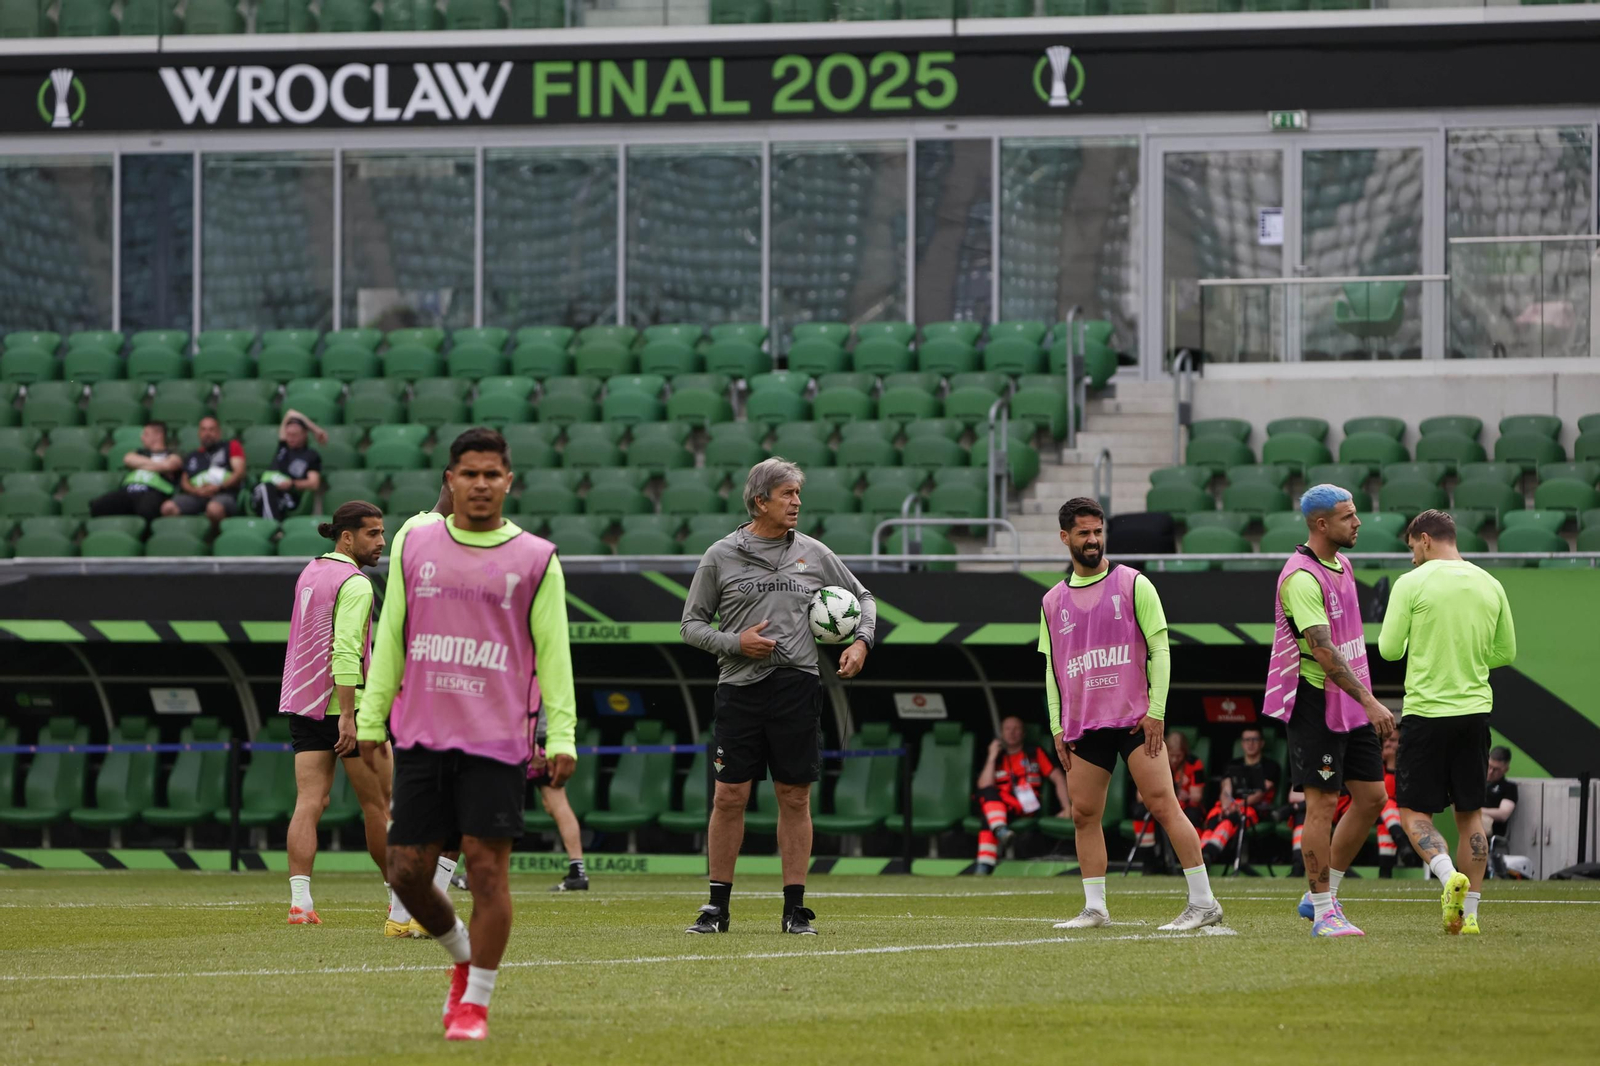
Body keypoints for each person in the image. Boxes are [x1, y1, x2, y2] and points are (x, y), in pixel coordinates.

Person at [356, 427, 577, 1041]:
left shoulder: (535, 557)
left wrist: (562, 735)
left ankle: (475, 1002)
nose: (480, 484)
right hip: (423, 732)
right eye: (469, 474)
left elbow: (553, 653)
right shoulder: (415, 542)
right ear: (450, 480)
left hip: (497, 738)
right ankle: (460, 954)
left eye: (491, 474)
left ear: (508, 482)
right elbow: (393, 632)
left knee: (485, 872)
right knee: (405, 871)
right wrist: (372, 716)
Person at [679, 457, 877, 936]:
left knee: (794, 796)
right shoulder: (720, 555)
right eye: (787, 494)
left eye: (797, 493)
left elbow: (865, 598)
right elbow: (690, 625)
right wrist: (736, 642)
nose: (797, 502)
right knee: (729, 796)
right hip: (738, 689)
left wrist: (861, 641)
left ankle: (794, 911)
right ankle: (716, 908)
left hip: (797, 687)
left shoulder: (815, 553)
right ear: (759, 501)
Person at [1042, 497, 1222, 932]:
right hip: (1083, 724)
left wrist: (1157, 711)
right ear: (1065, 537)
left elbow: (1160, 649)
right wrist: (1056, 726)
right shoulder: (1051, 601)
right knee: (1084, 814)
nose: (1093, 540)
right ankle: (1095, 908)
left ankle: (1204, 903)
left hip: (1136, 719)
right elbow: (1052, 669)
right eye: (1083, 533)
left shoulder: (1134, 583)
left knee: (1163, 805)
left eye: (1097, 531)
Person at [1264, 484, 1395, 938]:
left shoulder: (1342, 564)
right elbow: (1322, 651)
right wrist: (1370, 700)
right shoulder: (1301, 578)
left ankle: (1320, 895)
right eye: (1347, 516)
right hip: (1316, 700)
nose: (1357, 523)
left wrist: (1362, 699)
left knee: (1372, 797)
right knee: (1320, 806)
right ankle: (1323, 912)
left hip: (1349, 701)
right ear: (1321, 524)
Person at [1379, 509, 1517, 935]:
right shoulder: (1490, 583)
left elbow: (1389, 649)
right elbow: (1506, 653)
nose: (1411, 557)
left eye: (1412, 548)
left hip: (1426, 714)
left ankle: (1446, 875)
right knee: (1470, 816)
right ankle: (1469, 915)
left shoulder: (1411, 582)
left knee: (1413, 812)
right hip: (1474, 715)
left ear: (1424, 539)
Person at [277, 501, 400, 932]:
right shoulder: (357, 583)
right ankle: (399, 903)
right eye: (373, 533)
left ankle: (300, 902)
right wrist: (348, 716)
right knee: (379, 806)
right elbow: (345, 651)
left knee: (309, 802)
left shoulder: (310, 571)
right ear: (347, 537)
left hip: (303, 703)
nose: (381, 541)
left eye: (382, 533)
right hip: (350, 709)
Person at [973, 714, 1071, 875]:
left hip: (1026, 806)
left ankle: (990, 851)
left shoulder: (1035, 753)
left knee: (987, 799)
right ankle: (986, 862)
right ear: (1001, 733)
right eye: (1007, 729)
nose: (1012, 732)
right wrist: (991, 757)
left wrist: (1067, 807)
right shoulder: (998, 756)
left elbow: (1058, 778)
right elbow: (983, 784)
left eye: (1016, 729)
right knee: (988, 802)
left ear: (1023, 733)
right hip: (1000, 809)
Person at [1199, 725, 1281, 864]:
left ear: (1262, 743)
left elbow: (1260, 793)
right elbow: (1226, 790)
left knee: (1231, 819)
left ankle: (1209, 854)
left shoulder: (1271, 766)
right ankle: (1201, 855)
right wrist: (1226, 806)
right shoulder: (1233, 764)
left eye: (1255, 739)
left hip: (1253, 808)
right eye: (1247, 740)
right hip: (1230, 806)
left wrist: (1236, 806)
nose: (1250, 743)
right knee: (1213, 819)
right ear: (1242, 743)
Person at [1129, 730, 1204, 872]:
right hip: (1159, 806)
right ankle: (1148, 860)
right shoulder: (1155, 761)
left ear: (1185, 753)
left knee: (1193, 815)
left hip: (1184, 806)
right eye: (1172, 755)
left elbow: (1197, 797)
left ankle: (1192, 862)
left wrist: (1185, 795)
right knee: (1139, 811)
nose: (1175, 760)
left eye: (1178, 756)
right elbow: (1140, 796)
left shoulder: (1194, 764)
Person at [529, 716, 588, 892]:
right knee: (557, 804)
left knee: (499, 802)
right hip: (552, 740)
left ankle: (481, 871)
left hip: (528, 739)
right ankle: (577, 872)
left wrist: (530, 741)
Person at [161, 415, 246, 529]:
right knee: (168, 507)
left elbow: (239, 473)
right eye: (204, 430)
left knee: (213, 509)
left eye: (211, 429)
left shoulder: (231, 446)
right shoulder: (193, 455)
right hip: (197, 495)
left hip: (224, 493)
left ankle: (215, 537)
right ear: (199, 433)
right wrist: (196, 491)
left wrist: (218, 487)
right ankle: (185, 535)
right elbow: (184, 481)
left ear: (219, 432)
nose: (207, 433)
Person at [89, 420, 182, 522]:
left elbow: (170, 465)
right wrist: (160, 466)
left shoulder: (172, 454)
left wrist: (140, 465)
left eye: (146, 434)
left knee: (147, 510)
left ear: (158, 435)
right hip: (128, 491)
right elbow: (128, 459)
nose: (142, 437)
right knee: (98, 506)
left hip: (153, 492)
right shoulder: (139, 452)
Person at [252, 409, 326, 521]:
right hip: (264, 491)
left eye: (295, 435)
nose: (290, 438)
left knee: (265, 488)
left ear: (304, 434)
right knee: (264, 488)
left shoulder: (311, 455)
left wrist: (291, 484)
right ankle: (272, 524)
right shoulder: (283, 446)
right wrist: (316, 430)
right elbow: (290, 413)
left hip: (288, 496)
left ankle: (271, 525)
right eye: (288, 434)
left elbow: (314, 483)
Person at [1482, 747, 1518, 860]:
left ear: (1505, 769)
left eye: (1496, 769)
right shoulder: (1477, 783)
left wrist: (1477, 811)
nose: (1491, 772)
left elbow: (1503, 814)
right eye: (1489, 766)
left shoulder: (1509, 788)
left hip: (1492, 829)